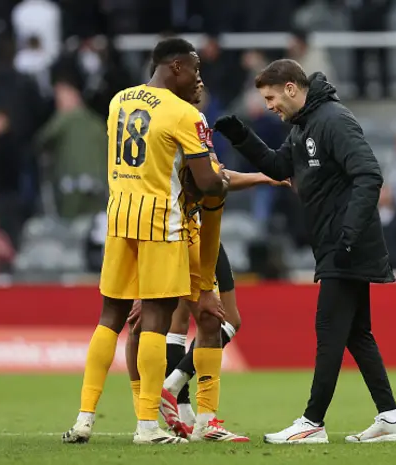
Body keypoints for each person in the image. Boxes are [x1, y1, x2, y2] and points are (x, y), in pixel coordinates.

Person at [215, 59, 396, 444]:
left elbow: (369, 174)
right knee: (357, 333)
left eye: (271, 97)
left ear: (291, 88)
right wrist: (241, 135)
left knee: (328, 329)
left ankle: (312, 422)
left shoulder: (333, 119)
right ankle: (391, 419)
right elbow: (277, 166)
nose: (270, 105)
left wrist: (349, 234)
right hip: (336, 243)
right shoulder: (305, 124)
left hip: (346, 245)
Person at [62, 37, 229, 446]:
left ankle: (84, 418)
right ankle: (146, 427)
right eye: (194, 69)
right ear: (175, 67)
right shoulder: (184, 113)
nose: (198, 78)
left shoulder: (118, 101)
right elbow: (206, 183)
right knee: (155, 319)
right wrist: (221, 181)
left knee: (109, 318)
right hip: (162, 222)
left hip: (119, 218)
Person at [124, 80, 285, 442]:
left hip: (169, 230)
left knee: (178, 321)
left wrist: (262, 177)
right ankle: (182, 402)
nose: (201, 84)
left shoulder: (161, 124)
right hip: (190, 232)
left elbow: (213, 176)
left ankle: (178, 408)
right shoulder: (187, 121)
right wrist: (265, 176)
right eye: (196, 78)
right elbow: (215, 180)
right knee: (211, 319)